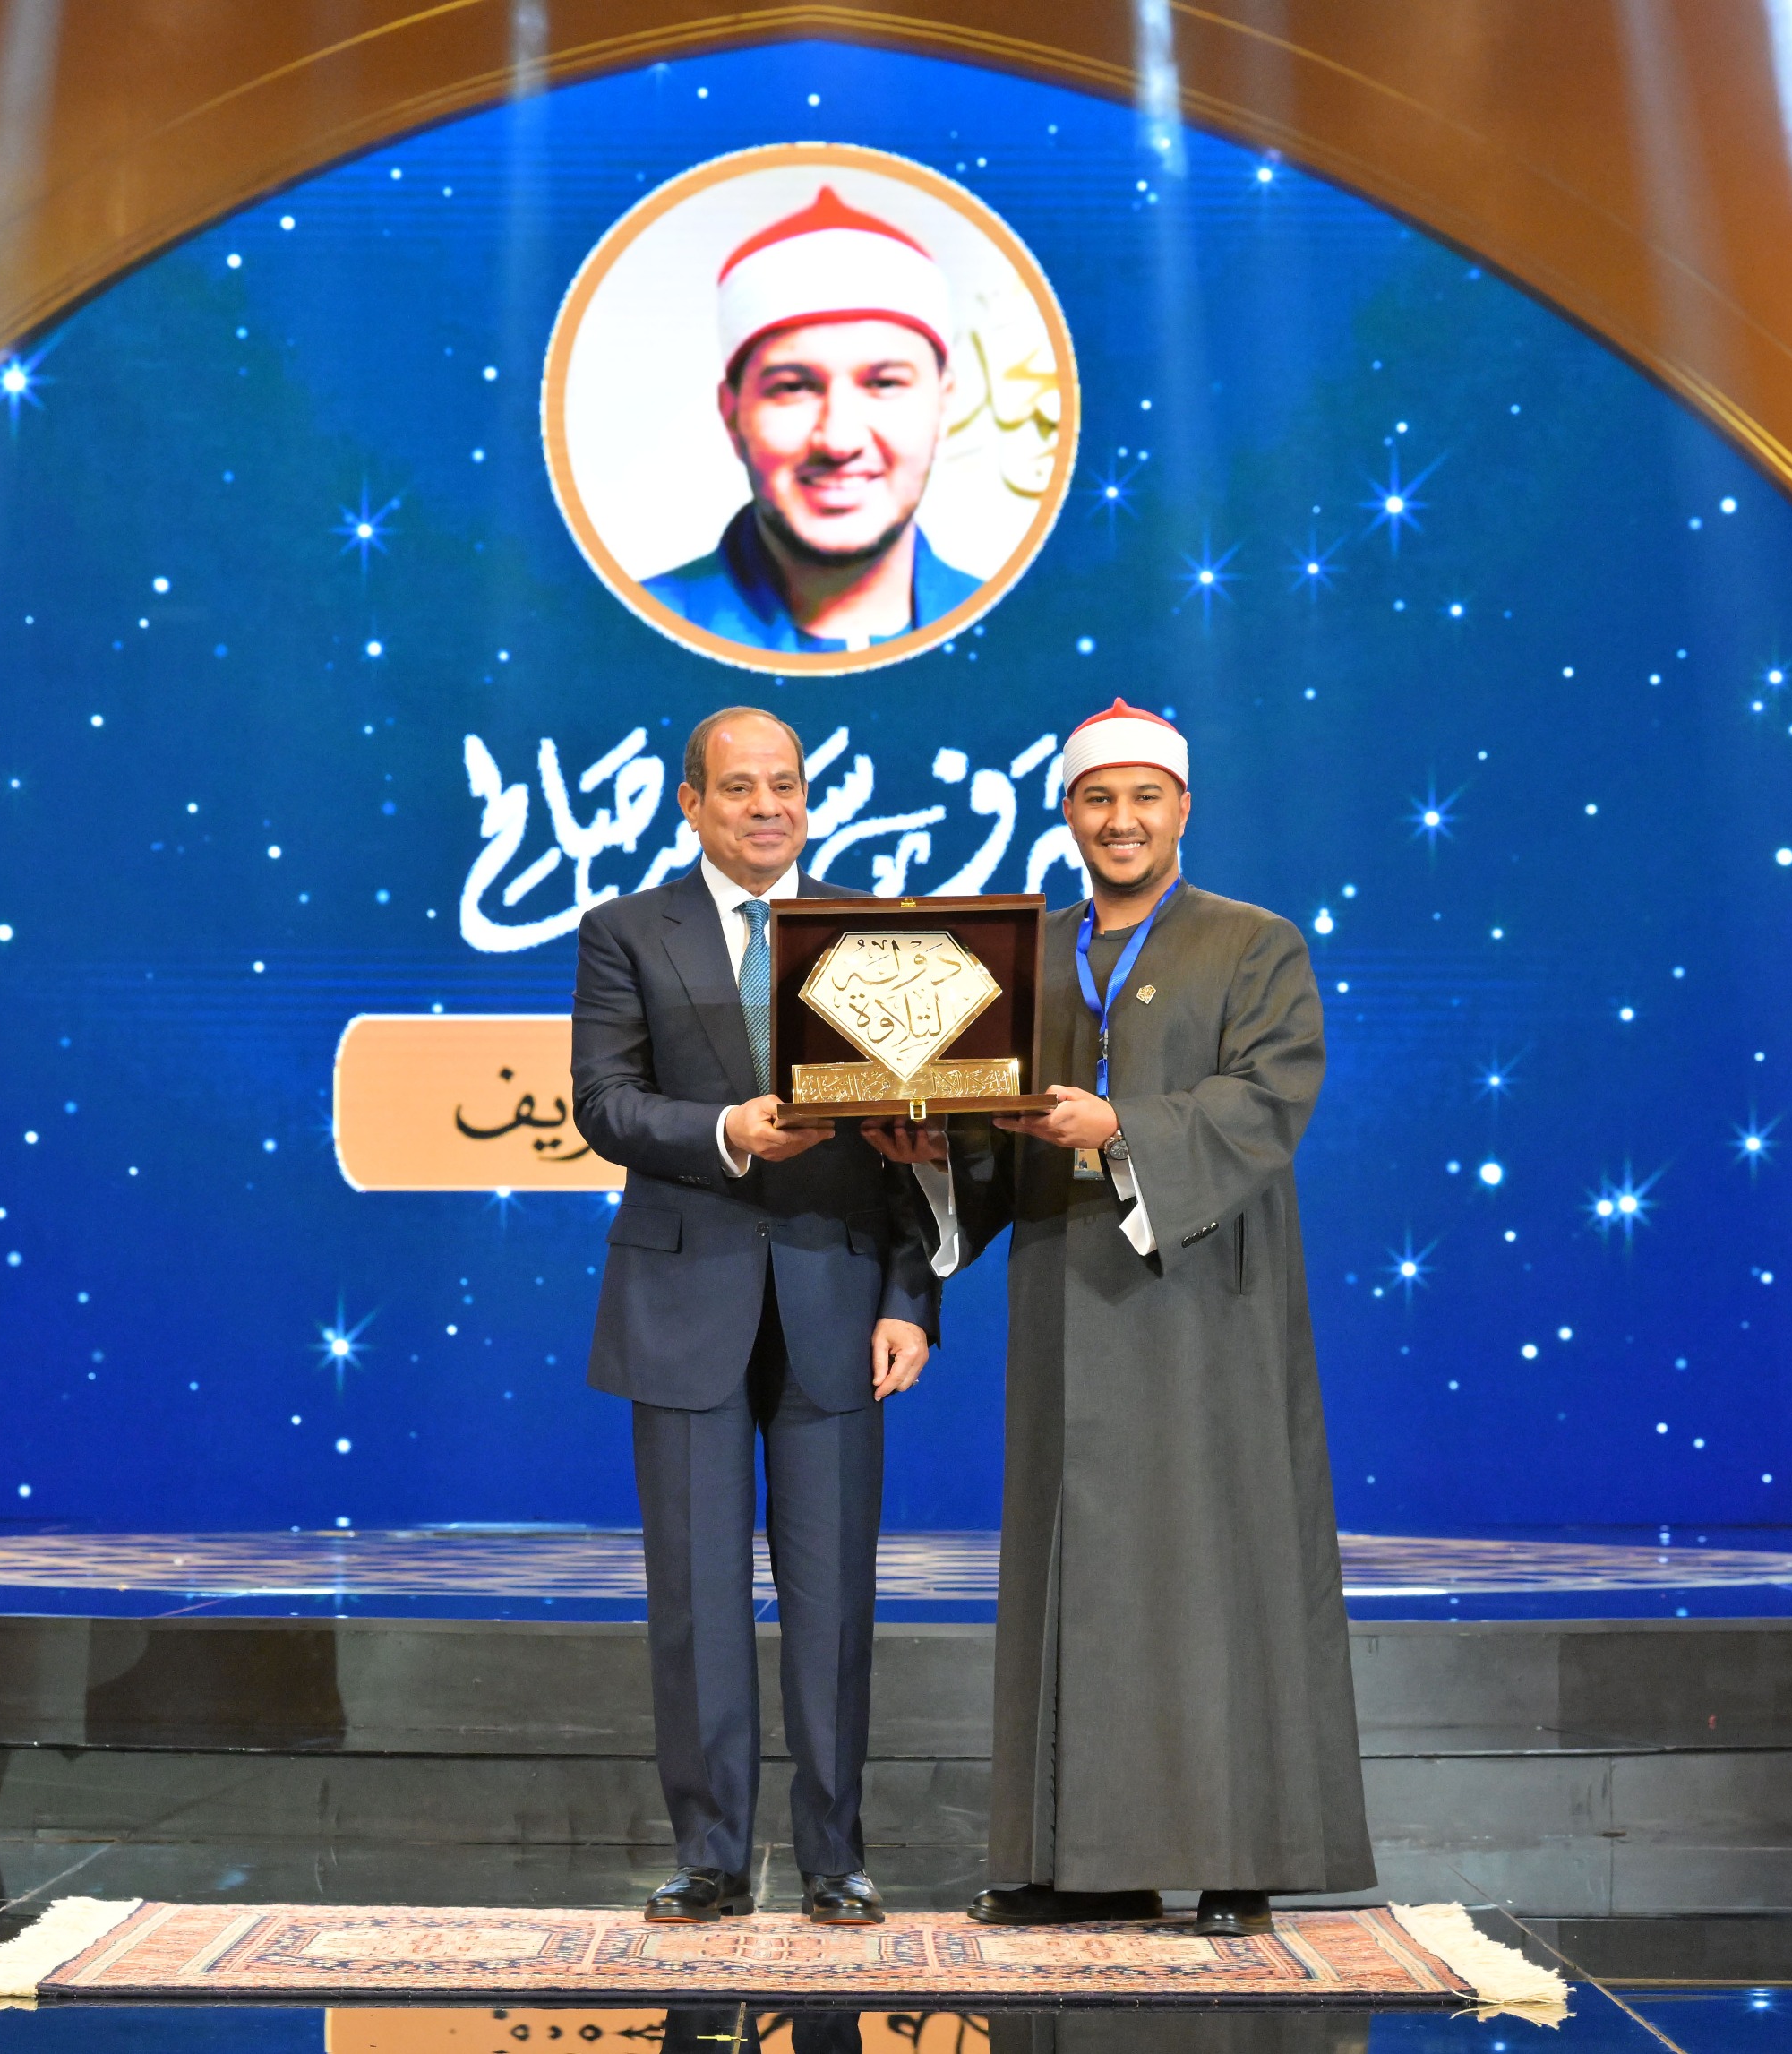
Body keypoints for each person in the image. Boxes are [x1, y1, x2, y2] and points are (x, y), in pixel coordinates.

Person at [867, 699, 1374, 1935]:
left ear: (1183, 808)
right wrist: (934, 1147)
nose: (1122, 819)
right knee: (1073, 1575)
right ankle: (1080, 1862)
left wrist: (1122, 1128)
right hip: (1064, 1301)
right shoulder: (1023, 954)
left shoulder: (1253, 944)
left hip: (1200, 1304)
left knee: (1215, 1564)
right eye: (1098, 798)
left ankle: (1237, 1858)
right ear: (1067, 813)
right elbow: (987, 1134)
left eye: (1145, 796)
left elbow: (1269, 1100)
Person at [572, 704, 941, 1928]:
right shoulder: (625, 931)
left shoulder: (875, 937)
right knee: (695, 1593)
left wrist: (911, 1298)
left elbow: (918, 1144)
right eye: (740, 787)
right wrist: (727, 1130)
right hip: (686, 1297)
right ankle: (712, 1855)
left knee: (833, 1598)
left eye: (786, 783)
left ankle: (836, 1856)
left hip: (839, 1297)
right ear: (692, 803)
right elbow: (603, 1103)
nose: (768, 806)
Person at [641, 185, 982, 653]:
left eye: (884, 383)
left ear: (943, 406)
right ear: (732, 416)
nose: (839, 441)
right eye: (793, 388)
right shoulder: (625, 638)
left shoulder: (1027, 636)